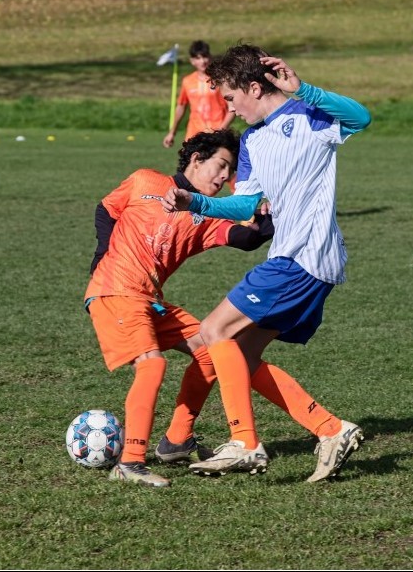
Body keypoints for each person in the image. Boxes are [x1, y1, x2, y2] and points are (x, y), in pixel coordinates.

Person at [162, 44, 371, 481]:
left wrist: (305, 89)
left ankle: (245, 442)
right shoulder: (253, 141)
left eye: (232, 99)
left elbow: (362, 118)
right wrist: (193, 200)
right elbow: (244, 206)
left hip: (304, 257)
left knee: (213, 330)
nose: (230, 111)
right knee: (238, 352)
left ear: (255, 88)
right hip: (291, 257)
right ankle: (330, 429)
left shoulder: (309, 116)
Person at [84, 129, 273, 488]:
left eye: (230, 172)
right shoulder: (144, 180)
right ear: (196, 159)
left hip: (149, 301)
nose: (225, 178)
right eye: (221, 166)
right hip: (116, 292)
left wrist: (273, 217)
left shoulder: (205, 215)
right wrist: (102, 255)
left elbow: (245, 238)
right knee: (152, 363)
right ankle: (130, 462)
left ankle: (176, 440)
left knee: (209, 350)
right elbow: (106, 208)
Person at [162, 40, 235, 149]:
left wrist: (221, 129)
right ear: (192, 61)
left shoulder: (221, 79)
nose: (203, 61)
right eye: (198, 58)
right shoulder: (187, 81)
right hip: (194, 135)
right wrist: (172, 132)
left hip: (217, 134)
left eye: (205, 57)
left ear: (210, 57)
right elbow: (181, 106)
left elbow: (232, 107)